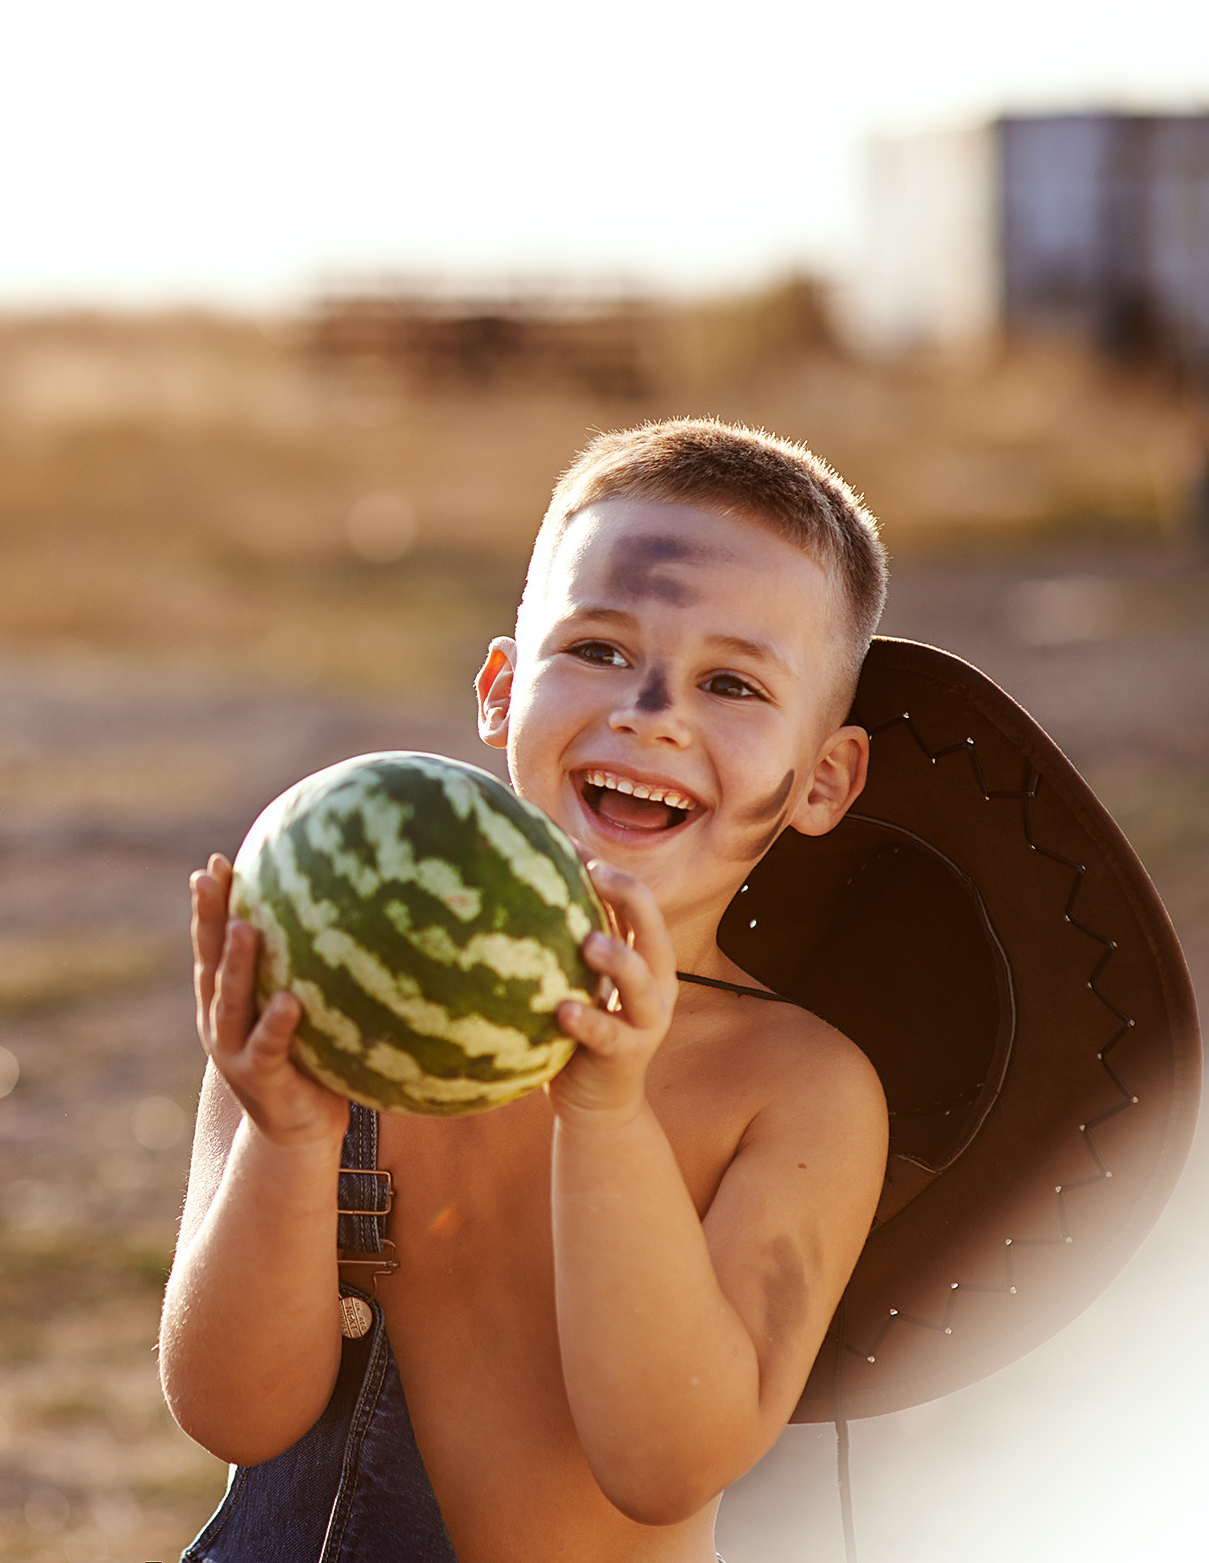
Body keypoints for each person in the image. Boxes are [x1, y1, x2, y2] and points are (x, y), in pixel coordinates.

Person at [162, 418, 895, 1562]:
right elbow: (231, 1411)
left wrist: (605, 1114)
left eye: (732, 682)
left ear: (824, 776)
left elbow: (662, 1465)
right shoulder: (338, 994)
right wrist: (289, 1135)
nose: (651, 709)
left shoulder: (796, 1089)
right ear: (502, 689)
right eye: (598, 650)